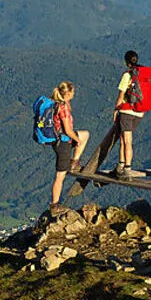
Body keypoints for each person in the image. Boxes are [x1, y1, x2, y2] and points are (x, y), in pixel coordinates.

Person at [50, 81, 89, 209]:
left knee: (85, 135)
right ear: (67, 93)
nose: (74, 94)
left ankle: (74, 162)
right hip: (63, 143)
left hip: (59, 140)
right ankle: (55, 204)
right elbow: (67, 129)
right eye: (72, 92)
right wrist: (76, 139)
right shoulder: (63, 108)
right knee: (60, 175)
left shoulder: (56, 103)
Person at [112, 50, 144, 180]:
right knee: (124, 139)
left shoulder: (127, 75)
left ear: (126, 62)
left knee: (127, 141)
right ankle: (120, 166)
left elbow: (121, 96)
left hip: (127, 111)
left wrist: (115, 109)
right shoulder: (143, 74)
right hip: (139, 112)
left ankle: (127, 170)